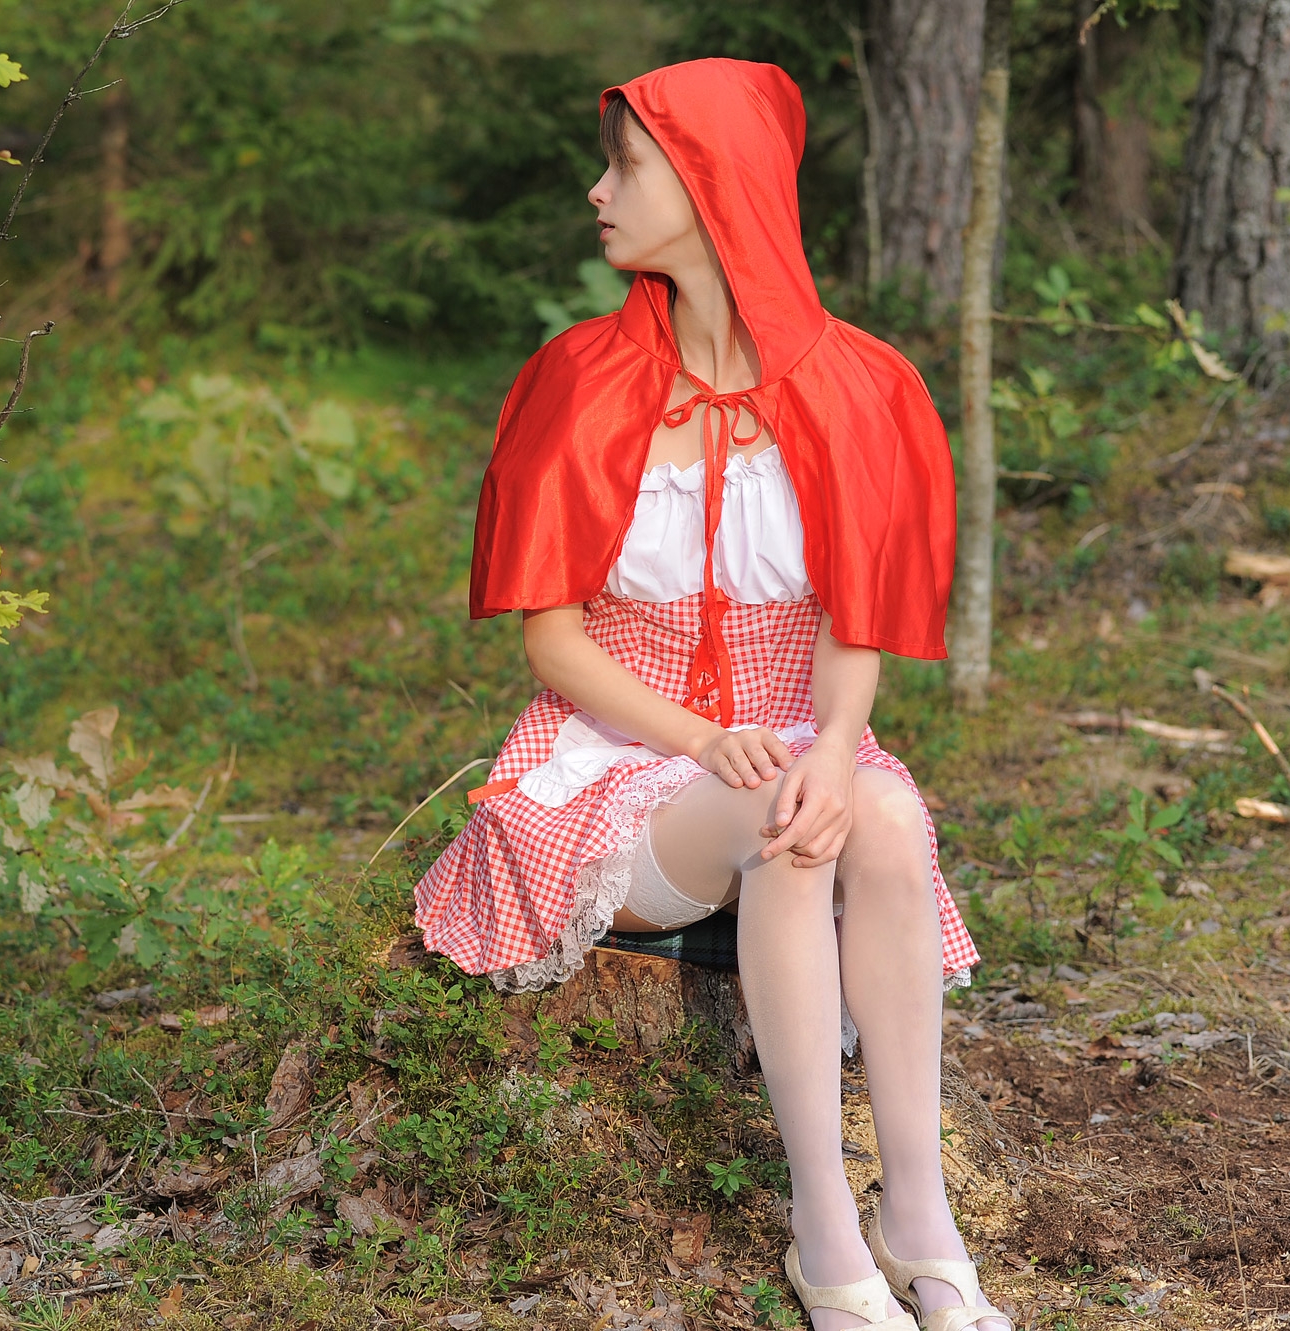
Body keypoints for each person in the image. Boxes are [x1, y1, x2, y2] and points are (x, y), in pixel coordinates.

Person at [412, 60, 1009, 1331]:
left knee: (882, 814)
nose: (597, 191)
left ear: (708, 182)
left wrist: (836, 746)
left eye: (624, 165)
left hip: (796, 733)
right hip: (617, 761)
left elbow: (856, 618)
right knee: (780, 827)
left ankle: (920, 1214)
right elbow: (552, 640)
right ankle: (823, 1231)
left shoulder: (858, 384)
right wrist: (703, 738)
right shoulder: (580, 376)